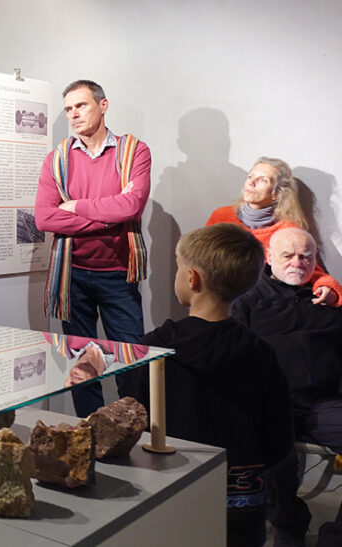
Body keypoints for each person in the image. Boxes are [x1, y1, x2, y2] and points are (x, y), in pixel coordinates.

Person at [121, 224, 293, 547]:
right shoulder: (260, 352)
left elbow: (131, 417)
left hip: (168, 494)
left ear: (192, 278)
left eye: (178, 267)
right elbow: (279, 436)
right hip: (240, 502)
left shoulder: (153, 348)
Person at [34, 79, 151, 417]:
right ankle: (89, 429)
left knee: (132, 364)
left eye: (81, 105)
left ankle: (135, 430)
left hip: (118, 275)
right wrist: (107, 218)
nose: (73, 114)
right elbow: (44, 218)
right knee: (81, 368)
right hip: (71, 278)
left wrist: (76, 207)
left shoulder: (133, 151)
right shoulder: (57, 159)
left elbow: (132, 206)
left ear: (103, 105)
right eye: (68, 109)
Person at [232, 228, 342, 546]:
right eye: (288, 255)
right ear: (269, 257)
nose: (297, 262)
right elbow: (234, 358)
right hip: (273, 403)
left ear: (315, 260)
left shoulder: (330, 302)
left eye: (306, 256)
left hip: (325, 404)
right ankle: (290, 527)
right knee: (273, 461)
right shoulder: (247, 302)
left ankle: (336, 537)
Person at [207, 156, 341, 306]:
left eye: (262, 180)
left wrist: (326, 287)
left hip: (263, 305)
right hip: (219, 298)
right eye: (250, 177)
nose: (251, 182)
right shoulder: (221, 216)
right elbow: (200, 256)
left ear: (276, 194)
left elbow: (308, 268)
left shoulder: (289, 229)